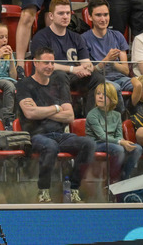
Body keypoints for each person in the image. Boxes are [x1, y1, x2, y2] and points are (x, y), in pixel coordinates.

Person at [16, 46, 96, 203]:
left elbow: (70, 116)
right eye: (46, 62)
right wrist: (57, 108)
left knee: (89, 143)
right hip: (36, 135)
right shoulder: (24, 85)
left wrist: (44, 110)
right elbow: (30, 114)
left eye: (52, 63)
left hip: (60, 135)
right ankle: (43, 190)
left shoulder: (58, 85)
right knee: (50, 146)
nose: (50, 66)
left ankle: (73, 188)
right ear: (35, 63)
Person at [86, 82, 142, 181]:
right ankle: (113, 179)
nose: (100, 97)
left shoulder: (116, 115)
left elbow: (119, 135)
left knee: (137, 148)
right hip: (96, 143)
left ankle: (124, 178)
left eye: (104, 95)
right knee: (118, 149)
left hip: (113, 143)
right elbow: (102, 136)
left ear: (112, 99)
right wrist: (121, 142)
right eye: (98, 94)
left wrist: (123, 142)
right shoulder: (92, 114)